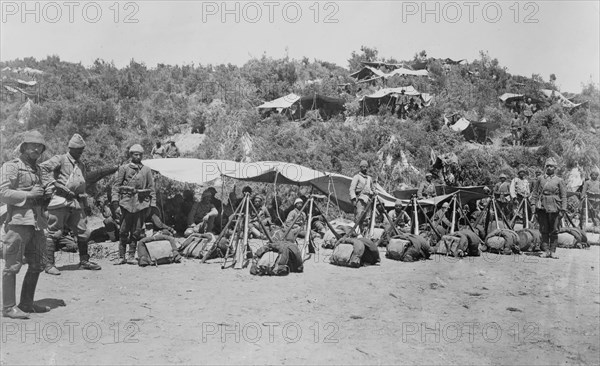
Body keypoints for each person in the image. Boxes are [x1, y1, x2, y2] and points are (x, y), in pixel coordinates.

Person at [1, 130, 53, 319]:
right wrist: (29, 194)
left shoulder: (38, 169)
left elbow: (41, 196)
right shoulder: (11, 166)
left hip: (37, 222)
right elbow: (3, 193)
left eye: (40, 146)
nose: (36, 149)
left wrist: (47, 194)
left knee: (37, 264)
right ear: (23, 147)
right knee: (12, 266)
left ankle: (27, 303)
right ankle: (8, 307)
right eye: (32, 145)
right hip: (18, 222)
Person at [40, 134, 101, 275]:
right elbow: (42, 169)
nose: (80, 152)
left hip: (75, 202)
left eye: (82, 149)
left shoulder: (81, 165)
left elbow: (82, 185)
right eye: (78, 149)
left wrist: (84, 204)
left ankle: (84, 261)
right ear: (70, 148)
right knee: (54, 232)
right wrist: (54, 184)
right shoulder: (60, 159)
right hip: (59, 200)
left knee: (83, 231)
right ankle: (49, 265)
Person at [112, 144, 156, 265]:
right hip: (126, 203)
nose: (138, 156)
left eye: (140, 154)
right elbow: (116, 186)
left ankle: (131, 256)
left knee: (136, 231)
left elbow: (151, 188)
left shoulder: (146, 170)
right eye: (135, 154)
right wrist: (115, 204)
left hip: (141, 204)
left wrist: (152, 205)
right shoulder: (124, 168)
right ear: (131, 155)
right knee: (123, 231)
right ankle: (121, 256)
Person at [530, 158, 567, 259]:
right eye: (547, 166)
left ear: (555, 168)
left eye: (551, 166)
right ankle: (546, 250)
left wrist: (563, 209)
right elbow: (535, 193)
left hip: (555, 206)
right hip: (542, 206)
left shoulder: (559, 180)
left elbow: (563, 196)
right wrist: (533, 205)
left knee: (554, 230)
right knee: (543, 229)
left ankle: (553, 251)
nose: (549, 168)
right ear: (545, 167)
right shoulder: (540, 179)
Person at [349, 160, 374, 231]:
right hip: (360, 199)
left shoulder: (369, 178)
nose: (365, 168)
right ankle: (357, 232)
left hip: (368, 200)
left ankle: (365, 232)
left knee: (367, 218)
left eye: (366, 167)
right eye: (363, 167)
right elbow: (352, 189)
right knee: (359, 217)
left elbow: (372, 188)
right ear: (360, 167)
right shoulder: (357, 177)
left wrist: (373, 192)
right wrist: (353, 199)